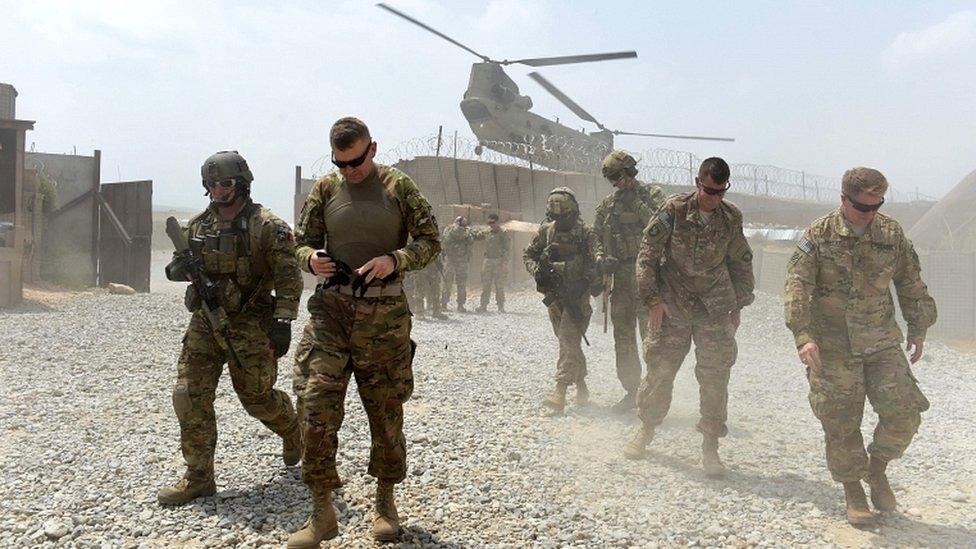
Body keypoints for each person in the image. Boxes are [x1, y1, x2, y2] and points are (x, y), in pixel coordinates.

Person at [289, 117, 440, 546]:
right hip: (331, 313)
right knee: (315, 406)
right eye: (340, 164)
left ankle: (385, 503)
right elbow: (301, 241)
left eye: (355, 162)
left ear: (372, 149)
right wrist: (309, 258)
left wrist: (395, 259)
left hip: (383, 316)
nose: (349, 172)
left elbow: (430, 241)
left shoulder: (399, 187)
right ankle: (321, 511)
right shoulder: (325, 189)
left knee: (385, 411)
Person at [785, 167, 936, 526]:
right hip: (833, 346)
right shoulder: (817, 236)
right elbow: (796, 287)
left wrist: (918, 326)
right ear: (844, 200)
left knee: (904, 413)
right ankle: (853, 491)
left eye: (877, 205)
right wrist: (803, 336)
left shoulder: (891, 233)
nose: (870, 214)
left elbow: (911, 282)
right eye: (862, 206)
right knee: (840, 423)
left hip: (881, 341)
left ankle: (877, 468)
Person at [158, 151, 303, 505]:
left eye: (224, 183)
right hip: (206, 323)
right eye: (211, 184)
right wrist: (181, 270)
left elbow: (289, 277)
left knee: (257, 398)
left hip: (251, 324)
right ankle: (199, 477)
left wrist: (283, 321)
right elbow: (176, 267)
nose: (217, 190)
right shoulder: (197, 227)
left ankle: (294, 429)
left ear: (241, 183)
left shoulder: (267, 226)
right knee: (188, 394)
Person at [624, 157, 754, 480]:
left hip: (714, 308)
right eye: (710, 190)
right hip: (674, 303)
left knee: (715, 378)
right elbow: (647, 256)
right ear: (698, 182)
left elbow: (741, 262)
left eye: (721, 192)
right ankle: (646, 429)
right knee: (660, 371)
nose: (715, 198)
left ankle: (711, 448)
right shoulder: (674, 211)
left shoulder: (730, 218)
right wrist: (653, 300)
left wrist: (738, 302)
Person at [594, 150, 667, 414]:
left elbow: (660, 227)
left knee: (652, 336)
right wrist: (602, 257)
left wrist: (636, 203)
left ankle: (655, 393)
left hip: (648, 276)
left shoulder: (653, 196)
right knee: (623, 337)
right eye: (612, 180)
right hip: (621, 279)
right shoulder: (608, 204)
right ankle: (632, 390)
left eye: (619, 177)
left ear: (630, 172)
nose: (617, 183)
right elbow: (595, 236)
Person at [524, 188, 604, 413]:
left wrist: (586, 280)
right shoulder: (546, 231)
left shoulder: (586, 234)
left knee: (568, 339)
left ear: (574, 212)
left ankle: (560, 390)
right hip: (553, 298)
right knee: (567, 341)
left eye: (565, 217)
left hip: (576, 298)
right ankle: (582, 385)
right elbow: (528, 255)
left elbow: (596, 259)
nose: (560, 221)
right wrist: (537, 270)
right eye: (556, 217)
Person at [440, 216, 484, 311]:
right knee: (457, 283)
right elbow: (472, 238)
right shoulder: (462, 231)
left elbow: (478, 237)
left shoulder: (451, 229)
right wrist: (472, 232)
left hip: (454, 260)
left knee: (453, 283)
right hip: (457, 260)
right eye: (464, 222)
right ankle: (455, 305)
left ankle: (448, 304)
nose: (466, 223)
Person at [476, 213, 511, 313]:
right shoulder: (487, 232)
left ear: (497, 222)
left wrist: (505, 263)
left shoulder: (503, 233)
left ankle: (500, 306)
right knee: (486, 284)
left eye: (492, 222)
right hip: (487, 261)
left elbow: (507, 249)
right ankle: (483, 306)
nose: (490, 224)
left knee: (499, 285)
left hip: (498, 261)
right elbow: (476, 236)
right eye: (489, 222)